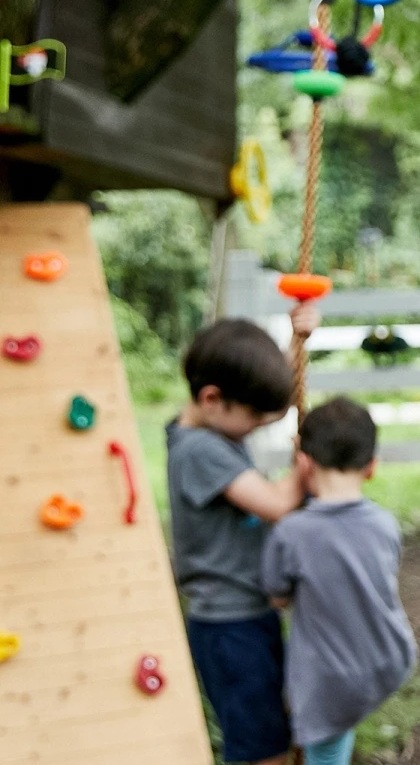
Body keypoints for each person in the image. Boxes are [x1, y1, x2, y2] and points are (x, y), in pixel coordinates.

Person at [168, 312, 319, 765]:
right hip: (229, 626)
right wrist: (306, 468)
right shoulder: (199, 450)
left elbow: (262, 392)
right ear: (212, 398)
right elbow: (275, 504)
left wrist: (298, 340)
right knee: (261, 749)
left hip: (247, 615)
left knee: (269, 731)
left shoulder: (214, 427)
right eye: (255, 416)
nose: (261, 423)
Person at [261, 396, 417, 765]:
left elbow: (277, 597)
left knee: (326, 746)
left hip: (329, 676)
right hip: (388, 657)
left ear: (303, 464)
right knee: (341, 722)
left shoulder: (292, 533)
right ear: (372, 467)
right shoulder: (384, 525)